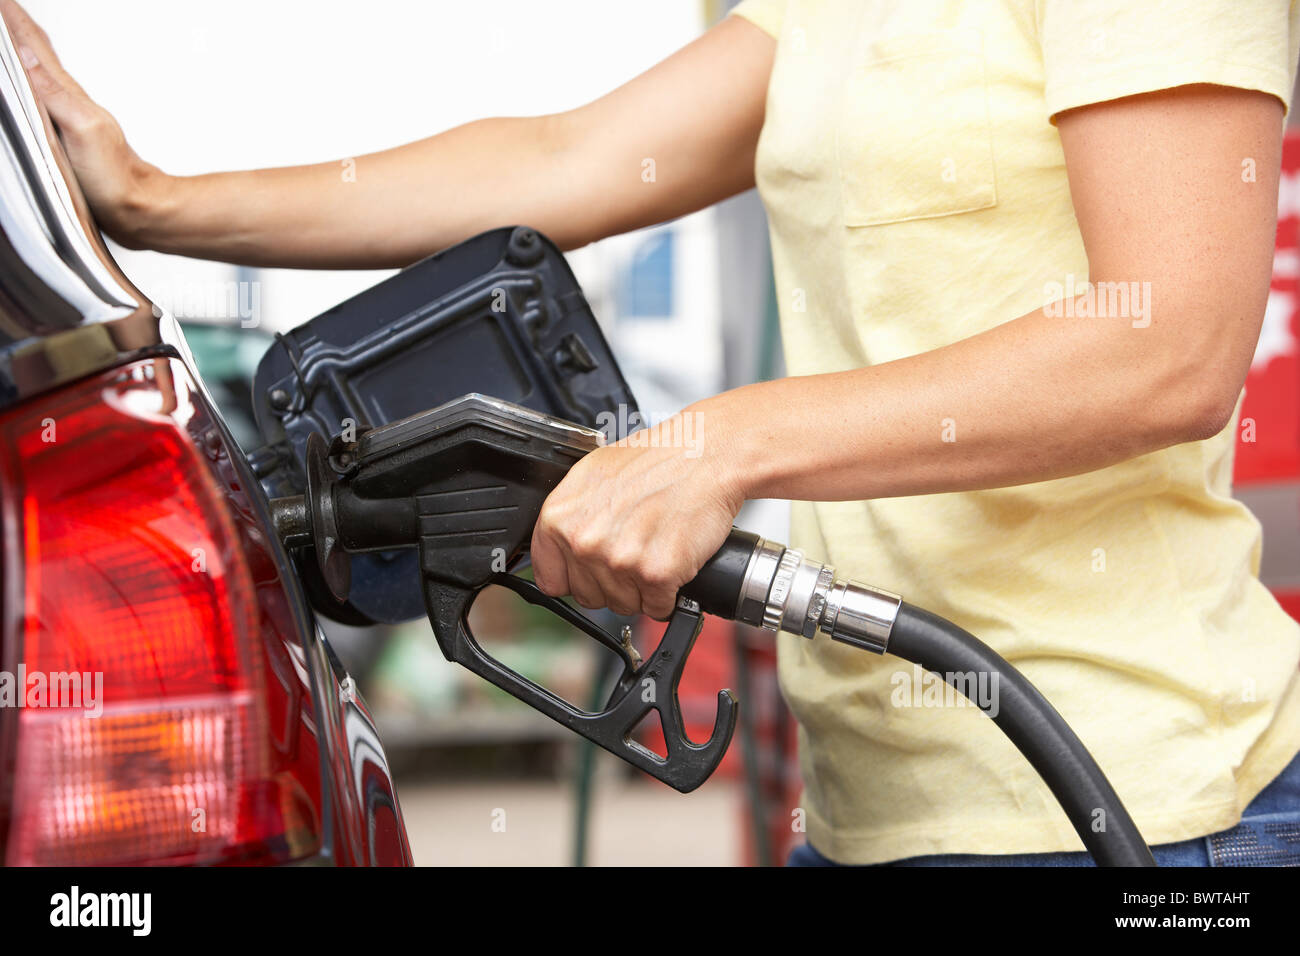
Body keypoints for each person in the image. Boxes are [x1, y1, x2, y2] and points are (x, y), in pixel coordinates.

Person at [6, 0, 1298, 866]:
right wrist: (151, 196)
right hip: (873, 812)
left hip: (1137, 801)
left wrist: (719, 445)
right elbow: (570, 160)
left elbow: (1167, 344)